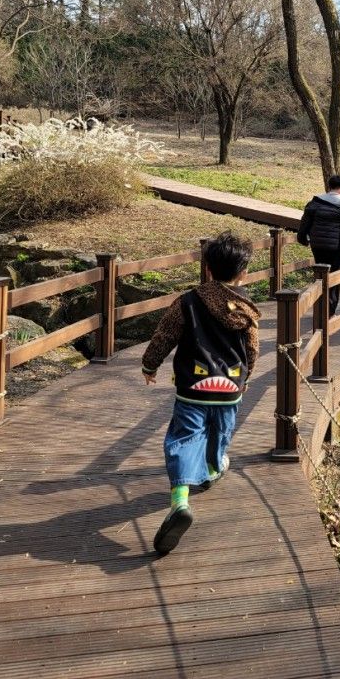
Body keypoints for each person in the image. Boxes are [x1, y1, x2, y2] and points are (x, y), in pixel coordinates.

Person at [141, 231, 261, 555]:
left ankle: (180, 500)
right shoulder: (246, 309)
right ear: (243, 272)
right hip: (229, 387)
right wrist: (246, 375)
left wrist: (149, 365)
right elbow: (252, 348)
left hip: (193, 387)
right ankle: (212, 469)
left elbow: (165, 335)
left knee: (184, 437)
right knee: (220, 433)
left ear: (207, 267)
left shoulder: (188, 302)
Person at [297, 173, 340, 317]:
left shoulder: (314, 203)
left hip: (317, 246)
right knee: (334, 279)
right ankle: (328, 313)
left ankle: (320, 308)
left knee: (320, 277)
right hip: (336, 248)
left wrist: (302, 239)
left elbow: (304, 224)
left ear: (330, 187)